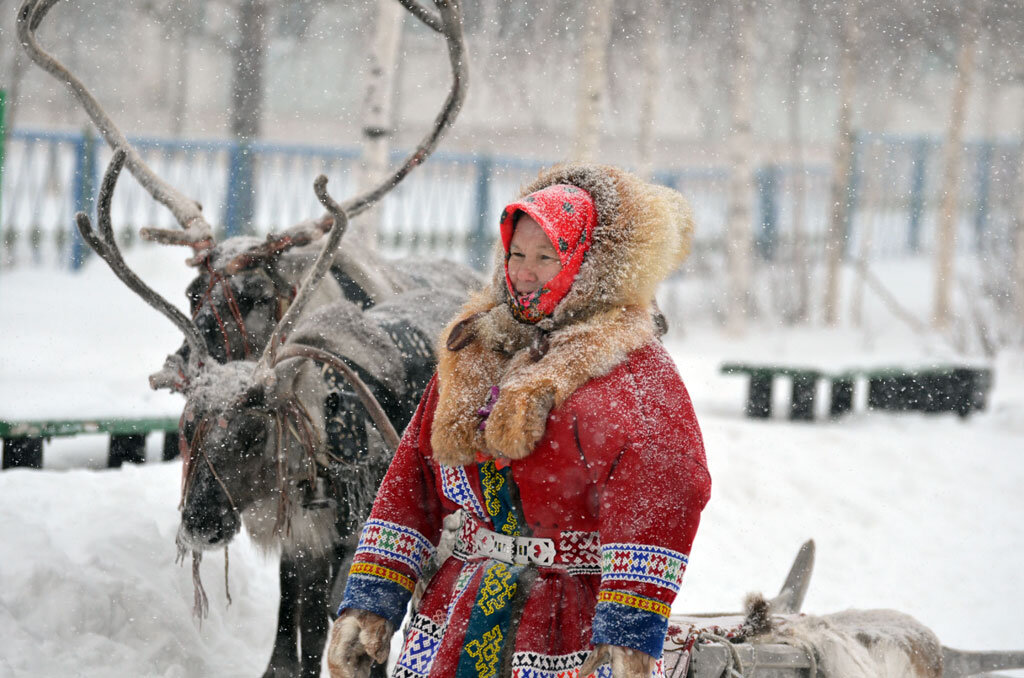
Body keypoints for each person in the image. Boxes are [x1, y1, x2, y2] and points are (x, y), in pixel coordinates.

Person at [327, 163, 711, 678]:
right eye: (516, 254)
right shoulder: (473, 352)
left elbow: (665, 490)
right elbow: (413, 479)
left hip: (569, 625)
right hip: (457, 615)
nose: (524, 272)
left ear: (586, 263)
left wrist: (628, 631)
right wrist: (371, 599)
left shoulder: (631, 371)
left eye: (546, 257)